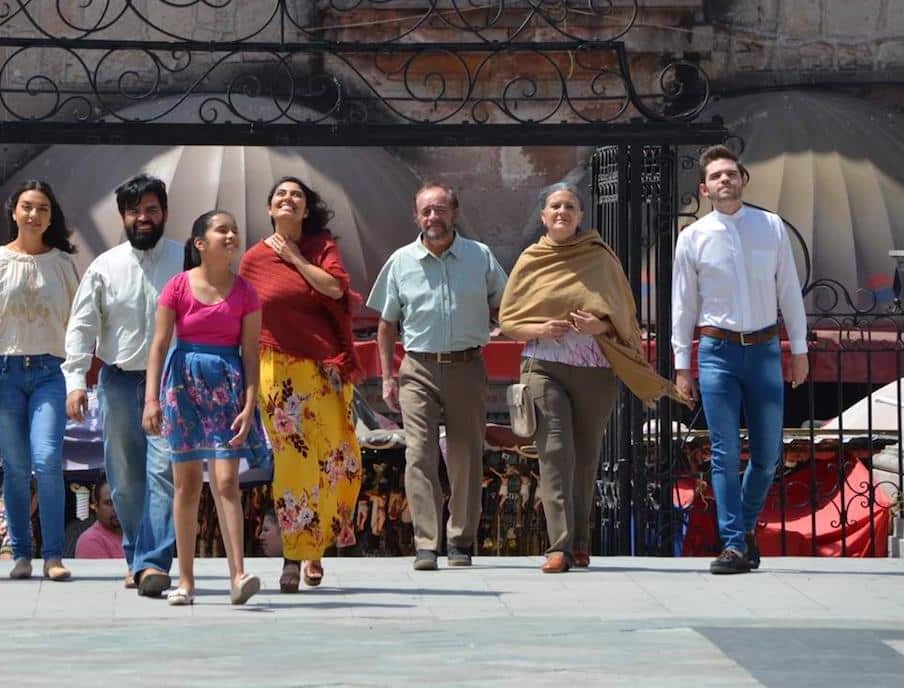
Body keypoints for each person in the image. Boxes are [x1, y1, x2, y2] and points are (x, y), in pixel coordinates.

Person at [497, 183, 689, 573]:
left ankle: (581, 544)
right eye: (555, 206)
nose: (562, 212)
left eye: (570, 206)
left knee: (585, 460)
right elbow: (508, 320)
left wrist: (597, 323)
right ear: (544, 216)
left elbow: (624, 318)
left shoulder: (600, 259)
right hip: (543, 368)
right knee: (554, 453)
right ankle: (559, 547)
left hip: (595, 372)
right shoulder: (531, 259)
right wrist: (540, 329)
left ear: (581, 216)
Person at [672, 145, 808, 575]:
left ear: (744, 179)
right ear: (704, 188)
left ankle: (745, 529)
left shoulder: (770, 226)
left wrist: (799, 349)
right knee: (725, 453)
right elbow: (683, 306)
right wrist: (682, 366)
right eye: (716, 176)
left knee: (768, 455)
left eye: (731, 173)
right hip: (716, 352)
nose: (725, 180)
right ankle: (732, 543)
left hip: (765, 350)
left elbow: (789, 289)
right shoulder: (692, 237)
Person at [366, 182, 508, 571]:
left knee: (465, 456)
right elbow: (386, 324)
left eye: (440, 209)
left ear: (454, 213)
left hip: (467, 366)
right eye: (426, 210)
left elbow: (506, 305)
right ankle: (426, 544)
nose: (433, 217)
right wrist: (387, 377)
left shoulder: (480, 257)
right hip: (418, 369)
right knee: (419, 454)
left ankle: (461, 542)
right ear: (417, 216)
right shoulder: (401, 261)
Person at [238, 176, 363, 592]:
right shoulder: (253, 260)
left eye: (297, 196)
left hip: (325, 371)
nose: (288, 200)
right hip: (278, 374)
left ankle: (316, 547)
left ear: (306, 210)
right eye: (280, 195)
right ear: (271, 208)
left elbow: (334, 288)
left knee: (336, 462)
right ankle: (293, 557)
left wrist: (293, 257)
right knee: (294, 463)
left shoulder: (321, 247)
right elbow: (244, 322)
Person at [143, 210, 267, 606]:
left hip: (227, 388)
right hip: (183, 386)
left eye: (234, 230)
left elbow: (251, 353)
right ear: (200, 243)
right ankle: (186, 580)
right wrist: (151, 400)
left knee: (227, 481)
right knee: (187, 484)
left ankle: (238, 575)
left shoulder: (246, 292)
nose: (231, 235)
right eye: (222, 230)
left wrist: (250, 403)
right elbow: (159, 345)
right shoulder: (177, 287)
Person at [64, 174, 178, 596]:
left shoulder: (187, 260)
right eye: (135, 211)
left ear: (164, 213)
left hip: (170, 383)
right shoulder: (104, 267)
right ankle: (137, 556)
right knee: (126, 480)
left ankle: (152, 563)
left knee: (163, 472)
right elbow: (81, 327)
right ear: (123, 217)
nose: (143, 218)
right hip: (116, 382)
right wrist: (76, 381)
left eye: (151, 209)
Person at [0, 180, 80, 581]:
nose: (34, 215)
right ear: (14, 211)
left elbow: (79, 326)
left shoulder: (64, 264)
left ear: (52, 217)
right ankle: (20, 552)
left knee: (47, 460)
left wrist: (79, 378)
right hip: (3, 372)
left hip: (51, 371)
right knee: (15, 467)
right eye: (27, 207)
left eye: (43, 208)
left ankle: (53, 554)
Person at [74, 481, 125, 559]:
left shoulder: (140, 535)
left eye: (120, 501)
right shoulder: (89, 541)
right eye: (109, 503)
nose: (116, 508)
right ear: (96, 506)